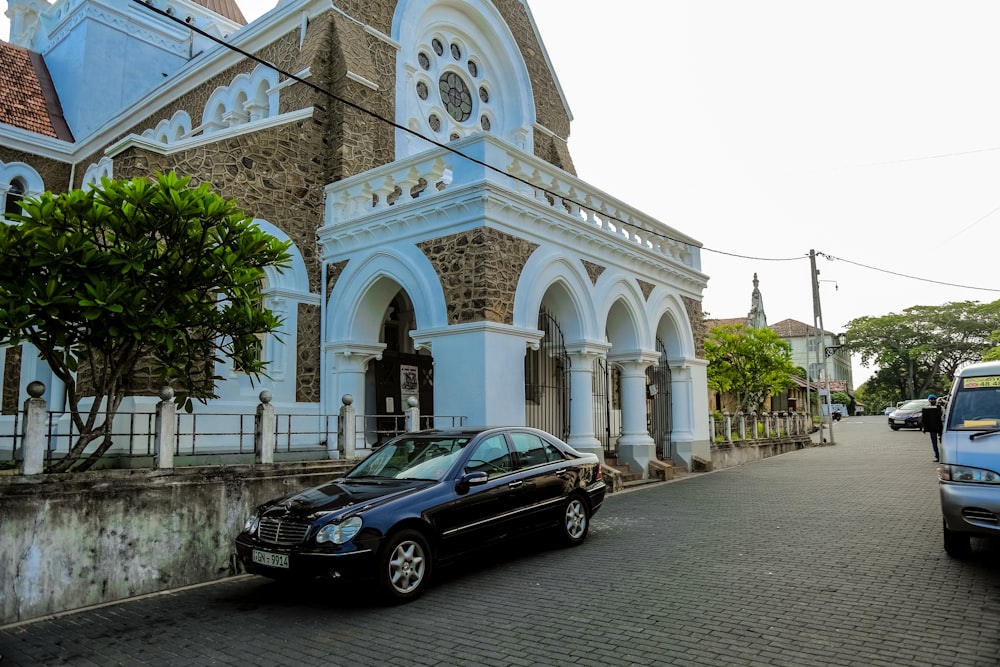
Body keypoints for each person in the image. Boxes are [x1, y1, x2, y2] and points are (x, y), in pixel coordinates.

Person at [922, 395, 944, 462]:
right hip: (934, 427)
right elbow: (924, 419)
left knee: (941, 442)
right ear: (929, 400)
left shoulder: (940, 407)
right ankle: (938, 456)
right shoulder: (927, 408)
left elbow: (943, 416)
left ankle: (941, 456)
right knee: (935, 443)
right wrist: (924, 427)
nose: (932, 400)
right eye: (931, 399)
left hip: (939, 427)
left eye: (933, 399)